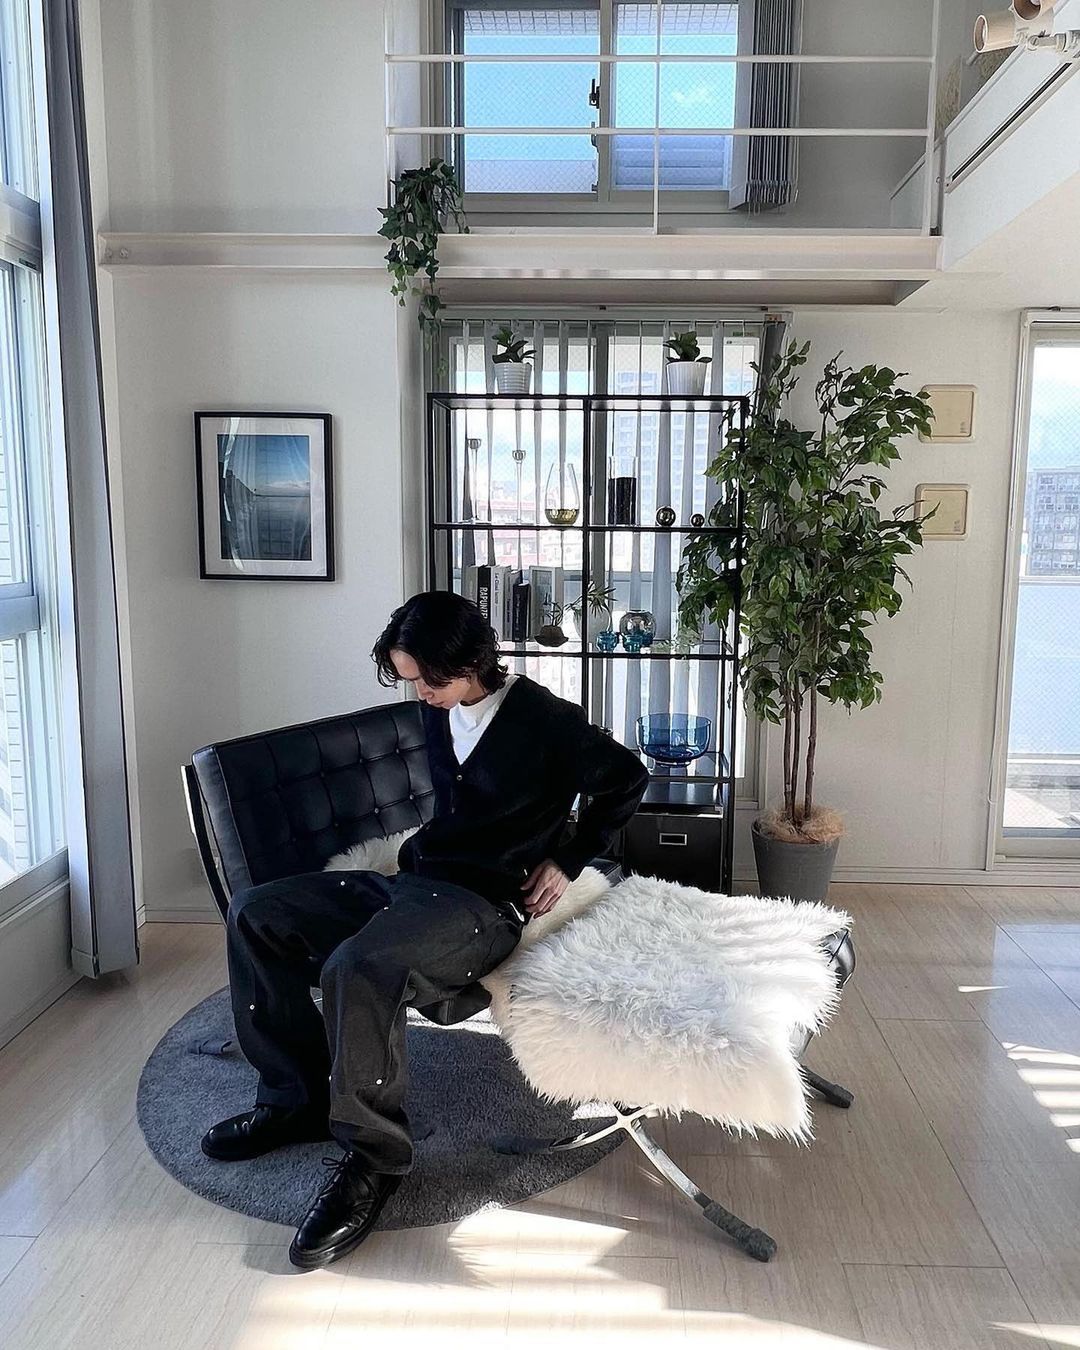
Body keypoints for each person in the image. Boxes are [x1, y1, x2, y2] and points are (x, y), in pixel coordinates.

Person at [200, 589, 651, 1270]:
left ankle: (374, 1159)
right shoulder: (441, 710)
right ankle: (295, 1099)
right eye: (410, 680)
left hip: (481, 907)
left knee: (358, 966)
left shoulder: (545, 719)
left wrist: (567, 858)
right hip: (414, 883)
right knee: (256, 912)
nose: (421, 694)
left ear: (470, 661)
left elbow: (626, 778)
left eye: (428, 680)